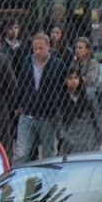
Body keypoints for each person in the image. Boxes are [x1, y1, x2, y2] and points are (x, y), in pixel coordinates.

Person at [14, 33, 66, 165]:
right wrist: (18, 104)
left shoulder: (57, 64)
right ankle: (17, 180)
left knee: (48, 153)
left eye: (41, 48)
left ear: (48, 47)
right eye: (35, 48)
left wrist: (58, 110)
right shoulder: (26, 61)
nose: (37, 51)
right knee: (22, 153)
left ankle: (49, 181)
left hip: (48, 116)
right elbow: (20, 84)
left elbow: (62, 89)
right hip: (27, 113)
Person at [57, 66, 102, 154]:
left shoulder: (89, 93)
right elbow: (58, 120)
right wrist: (62, 136)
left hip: (89, 133)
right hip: (71, 134)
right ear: (64, 80)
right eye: (70, 78)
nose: (74, 81)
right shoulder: (61, 97)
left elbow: (96, 115)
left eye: (76, 78)